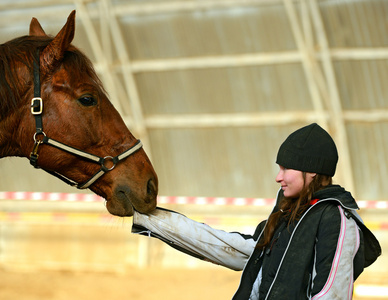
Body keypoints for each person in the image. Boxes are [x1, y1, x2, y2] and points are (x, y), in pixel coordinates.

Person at [132, 123, 381, 299]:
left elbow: (332, 295)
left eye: (286, 169)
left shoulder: (336, 217)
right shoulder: (288, 210)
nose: (278, 177)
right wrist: (151, 220)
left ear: (312, 170)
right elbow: (238, 251)